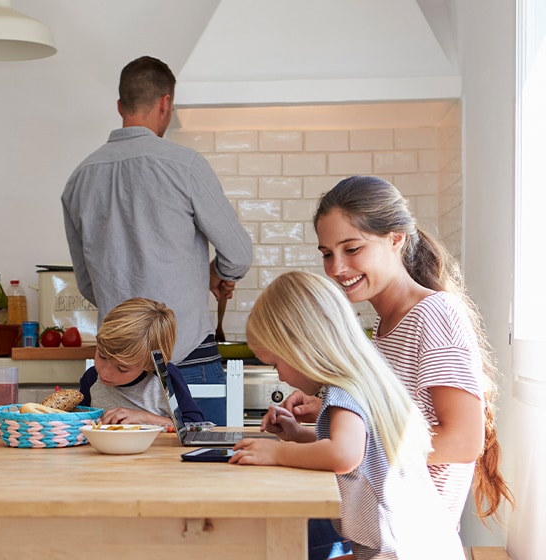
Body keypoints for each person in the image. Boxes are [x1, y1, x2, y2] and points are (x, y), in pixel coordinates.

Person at [280, 176, 513, 527]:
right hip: (379, 531)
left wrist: (345, 443)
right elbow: (392, 433)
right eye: (328, 254)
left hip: (410, 540)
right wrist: (316, 429)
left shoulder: (434, 315)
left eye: (352, 249)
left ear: (396, 239)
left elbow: (462, 441)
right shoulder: (386, 327)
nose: (337, 268)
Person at [62, 55, 253, 426]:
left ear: (120, 106)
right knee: (198, 464)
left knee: (108, 472)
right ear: (166, 102)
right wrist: (214, 273)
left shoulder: (79, 179)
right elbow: (239, 256)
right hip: (188, 359)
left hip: (115, 369)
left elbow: (88, 285)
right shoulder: (185, 165)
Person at [231, 271, 465, 560]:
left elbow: (344, 454)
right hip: (419, 546)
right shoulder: (365, 380)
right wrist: (298, 434)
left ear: (303, 348)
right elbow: (365, 446)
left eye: (276, 362)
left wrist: (276, 453)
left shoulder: (345, 390)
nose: (278, 374)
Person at [78, 297, 203, 427]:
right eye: (102, 356)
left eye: (122, 368)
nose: (105, 371)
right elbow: (78, 424)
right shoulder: (91, 379)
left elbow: (196, 426)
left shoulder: (165, 378)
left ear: (149, 365)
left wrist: (146, 418)